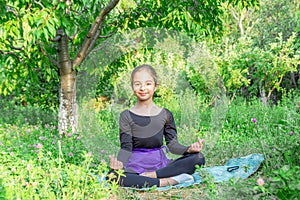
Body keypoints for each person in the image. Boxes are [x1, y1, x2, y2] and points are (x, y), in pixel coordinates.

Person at [108, 64, 205, 188]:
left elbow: (172, 145)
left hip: (160, 164)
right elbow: (126, 147)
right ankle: (167, 181)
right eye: (137, 84)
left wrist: (188, 149)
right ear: (132, 86)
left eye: (148, 84)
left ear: (155, 86)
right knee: (112, 176)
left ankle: (152, 176)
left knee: (198, 158)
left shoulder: (165, 114)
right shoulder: (126, 115)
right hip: (135, 164)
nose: (143, 88)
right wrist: (120, 163)